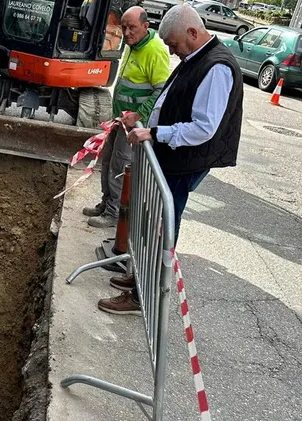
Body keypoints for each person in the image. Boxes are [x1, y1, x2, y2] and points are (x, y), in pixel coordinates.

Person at [98, 4, 244, 315]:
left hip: (184, 163)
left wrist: (155, 133)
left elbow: (204, 128)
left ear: (193, 32)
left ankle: (143, 296)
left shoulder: (216, 67)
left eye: (174, 44)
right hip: (173, 160)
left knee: (162, 230)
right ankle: (139, 278)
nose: (172, 51)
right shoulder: (197, 57)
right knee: (152, 225)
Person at [84, 6, 171, 229]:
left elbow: (161, 91)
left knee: (119, 166)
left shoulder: (154, 51)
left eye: (132, 27)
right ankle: (106, 203)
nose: (127, 32)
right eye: (124, 27)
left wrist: (139, 115)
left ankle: (114, 212)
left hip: (133, 125)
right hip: (119, 120)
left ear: (145, 26)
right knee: (108, 161)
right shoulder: (133, 46)